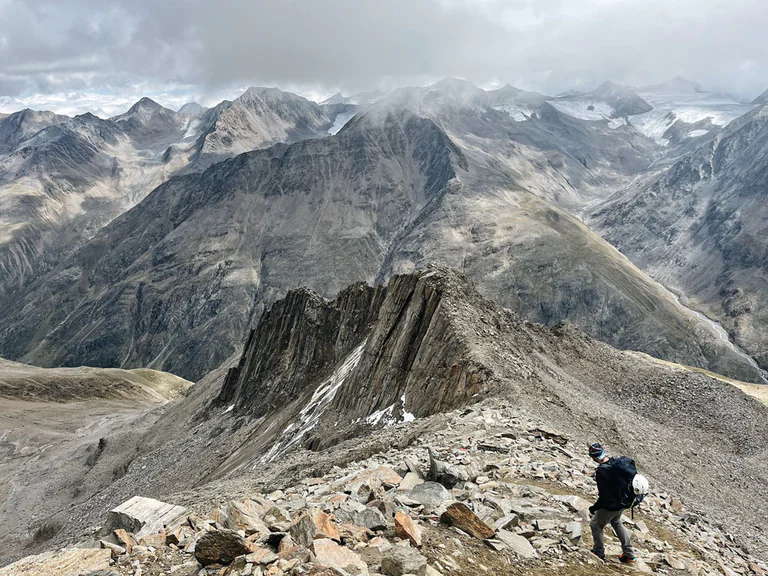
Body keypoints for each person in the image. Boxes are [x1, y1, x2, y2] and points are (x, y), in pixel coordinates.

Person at [587, 442, 644, 564]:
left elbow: (604, 496)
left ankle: (599, 552)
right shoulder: (615, 462)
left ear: (595, 458)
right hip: (624, 502)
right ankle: (629, 554)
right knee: (616, 522)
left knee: (596, 525)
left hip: (612, 505)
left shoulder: (602, 471)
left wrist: (595, 507)